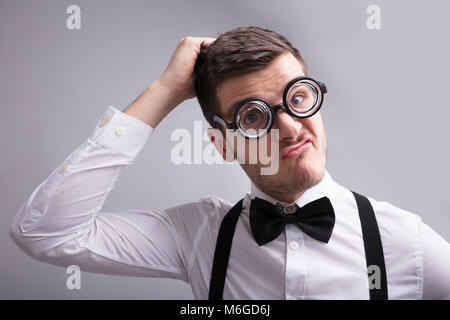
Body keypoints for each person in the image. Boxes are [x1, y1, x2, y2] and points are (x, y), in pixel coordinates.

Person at [9, 26, 450, 300]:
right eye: (254, 117)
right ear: (221, 144)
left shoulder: (402, 242)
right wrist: (164, 90)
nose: (293, 129)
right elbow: (44, 233)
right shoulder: (198, 235)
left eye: (297, 98)